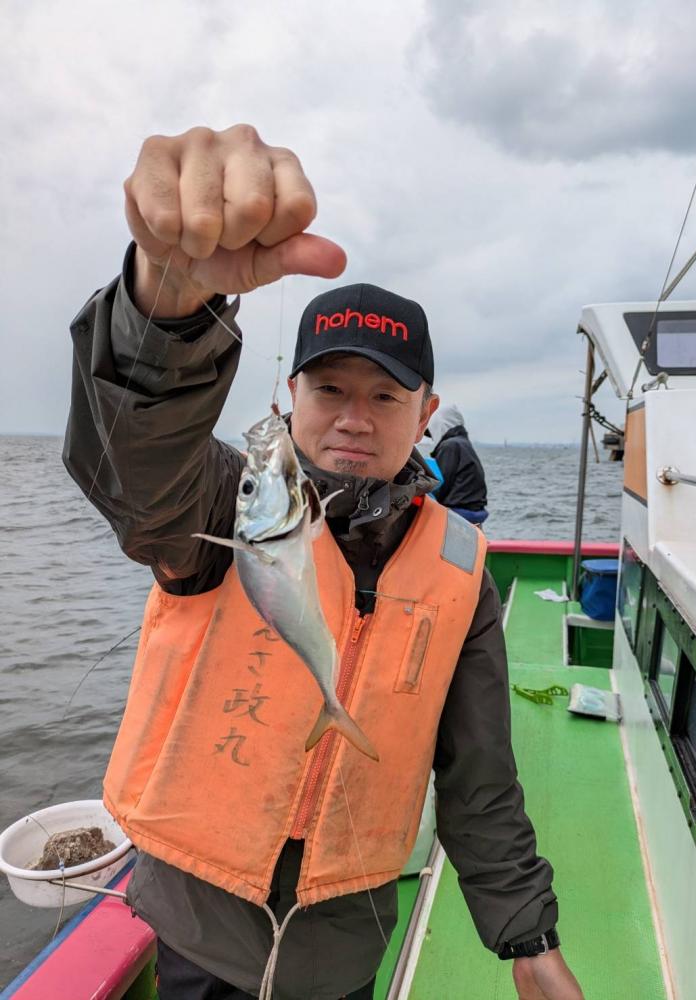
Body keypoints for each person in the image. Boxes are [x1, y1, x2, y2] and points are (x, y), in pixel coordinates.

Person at [63, 125, 584, 1000]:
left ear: (426, 415)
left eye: (385, 395)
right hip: (200, 928)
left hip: (344, 946)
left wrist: (528, 939)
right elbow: (131, 467)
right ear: (289, 394)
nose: (354, 417)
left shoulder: (462, 575)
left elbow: (479, 776)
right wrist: (167, 311)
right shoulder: (224, 504)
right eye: (330, 388)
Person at [425, 404, 489, 525]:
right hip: (474, 509)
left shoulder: (450, 446)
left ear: (440, 425)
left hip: (459, 511)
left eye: (432, 432)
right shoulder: (463, 443)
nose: (432, 438)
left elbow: (441, 484)